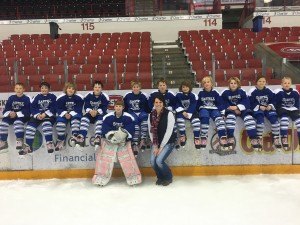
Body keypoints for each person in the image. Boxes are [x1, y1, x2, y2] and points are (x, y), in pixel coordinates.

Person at [93, 100, 141, 186]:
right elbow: (105, 129)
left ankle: (133, 177)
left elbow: (131, 128)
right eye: (116, 106)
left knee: (127, 159)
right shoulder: (108, 116)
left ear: (123, 107)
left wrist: (122, 136)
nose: (118, 108)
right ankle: (101, 176)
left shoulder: (128, 117)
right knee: (105, 159)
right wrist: (111, 136)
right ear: (114, 107)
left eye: (120, 106)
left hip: (123, 142)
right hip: (109, 141)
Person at [221, 77, 260, 151]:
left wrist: (238, 107)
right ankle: (230, 137)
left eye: (235, 83)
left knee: (249, 118)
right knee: (230, 118)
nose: (233, 85)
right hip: (231, 110)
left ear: (238, 84)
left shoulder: (242, 91)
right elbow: (222, 103)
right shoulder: (225, 93)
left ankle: (253, 138)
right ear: (229, 84)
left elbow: (246, 102)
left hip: (242, 110)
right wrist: (232, 108)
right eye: (231, 83)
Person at [21, 82, 57, 155]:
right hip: (38, 116)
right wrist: (37, 115)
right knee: (30, 127)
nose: (43, 89)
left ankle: (49, 144)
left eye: (46, 88)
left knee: (46, 125)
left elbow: (54, 107)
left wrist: (45, 113)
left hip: (49, 116)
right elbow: (33, 107)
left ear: (49, 89)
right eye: (42, 88)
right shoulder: (37, 97)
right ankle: (28, 146)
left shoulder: (53, 97)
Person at [148, 94, 176, 186]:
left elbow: (169, 132)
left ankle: (168, 177)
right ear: (153, 103)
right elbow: (150, 132)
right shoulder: (151, 115)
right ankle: (160, 177)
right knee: (152, 162)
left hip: (168, 142)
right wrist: (155, 146)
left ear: (163, 103)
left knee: (159, 161)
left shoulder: (169, 114)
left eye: (160, 102)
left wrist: (161, 147)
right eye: (156, 102)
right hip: (156, 143)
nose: (158, 104)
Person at [248, 75, 281, 150]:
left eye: (263, 81)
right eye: (260, 81)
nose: (262, 83)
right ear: (256, 82)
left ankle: (275, 138)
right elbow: (250, 102)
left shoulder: (268, 90)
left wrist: (270, 105)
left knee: (275, 122)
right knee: (260, 121)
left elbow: (274, 100)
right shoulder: (252, 91)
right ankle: (259, 137)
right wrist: (259, 106)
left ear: (266, 82)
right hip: (258, 110)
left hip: (268, 109)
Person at [76, 81, 109, 150]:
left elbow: (104, 107)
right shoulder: (88, 95)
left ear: (102, 88)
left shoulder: (104, 96)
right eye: (95, 87)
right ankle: (81, 137)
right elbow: (86, 106)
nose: (97, 88)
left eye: (99, 87)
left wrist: (97, 112)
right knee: (84, 118)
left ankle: (97, 137)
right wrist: (91, 111)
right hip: (90, 113)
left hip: (100, 114)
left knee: (101, 120)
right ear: (93, 88)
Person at [197, 76, 228, 151]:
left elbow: (220, 103)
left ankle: (222, 136)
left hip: (214, 109)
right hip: (204, 109)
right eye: (204, 83)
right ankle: (204, 137)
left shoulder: (215, 93)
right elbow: (198, 104)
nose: (206, 84)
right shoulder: (201, 93)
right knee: (204, 117)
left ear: (211, 83)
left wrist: (222, 113)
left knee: (218, 118)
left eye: (208, 82)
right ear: (202, 85)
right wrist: (198, 112)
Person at [0, 83, 31, 153]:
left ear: (24, 90)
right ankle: (3, 142)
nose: (18, 90)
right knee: (3, 123)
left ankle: (20, 140)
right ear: (14, 89)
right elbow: (6, 109)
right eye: (17, 88)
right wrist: (9, 113)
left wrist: (16, 114)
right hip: (11, 116)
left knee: (17, 122)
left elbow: (28, 111)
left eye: (20, 88)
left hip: (22, 117)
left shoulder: (26, 98)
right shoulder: (11, 98)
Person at [55, 82, 84, 151]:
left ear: (75, 90)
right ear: (66, 89)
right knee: (60, 124)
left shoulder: (79, 98)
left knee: (76, 120)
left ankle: (75, 136)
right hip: (64, 115)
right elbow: (58, 108)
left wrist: (71, 114)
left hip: (74, 114)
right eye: (69, 88)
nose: (71, 90)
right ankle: (61, 140)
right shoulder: (60, 98)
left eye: (73, 89)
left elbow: (79, 109)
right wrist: (65, 114)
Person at [123, 81, 150, 151]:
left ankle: (143, 140)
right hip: (132, 113)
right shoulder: (127, 95)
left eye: (137, 87)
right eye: (134, 87)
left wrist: (145, 114)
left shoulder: (144, 95)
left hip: (141, 113)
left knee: (144, 122)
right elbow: (125, 107)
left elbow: (147, 107)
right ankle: (135, 143)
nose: (136, 88)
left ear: (140, 88)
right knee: (136, 126)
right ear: (132, 88)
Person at [275, 76, 300, 150]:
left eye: (289, 83)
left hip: (293, 110)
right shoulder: (278, 92)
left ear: (291, 84)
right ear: (281, 84)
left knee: (299, 121)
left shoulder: (295, 92)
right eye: (285, 83)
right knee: (284, 120)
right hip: (283, 110)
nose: (287, 84)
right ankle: (284, 137)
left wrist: (297, 109)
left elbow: (297, 103)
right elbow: (276, 103)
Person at [175, 80, 201, 148]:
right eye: (183, 87)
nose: (185, 88)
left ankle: (196, 137)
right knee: (179, 120)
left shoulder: (193, 95)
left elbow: (193, 105)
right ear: (181, 88)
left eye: (187, 87)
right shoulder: (178, 95)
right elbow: (177, 104)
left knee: (196, 122)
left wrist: (189, 113)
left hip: (192, 112)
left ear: (190, 88)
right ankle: (183, 135)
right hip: (182, 112)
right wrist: (182, 111)